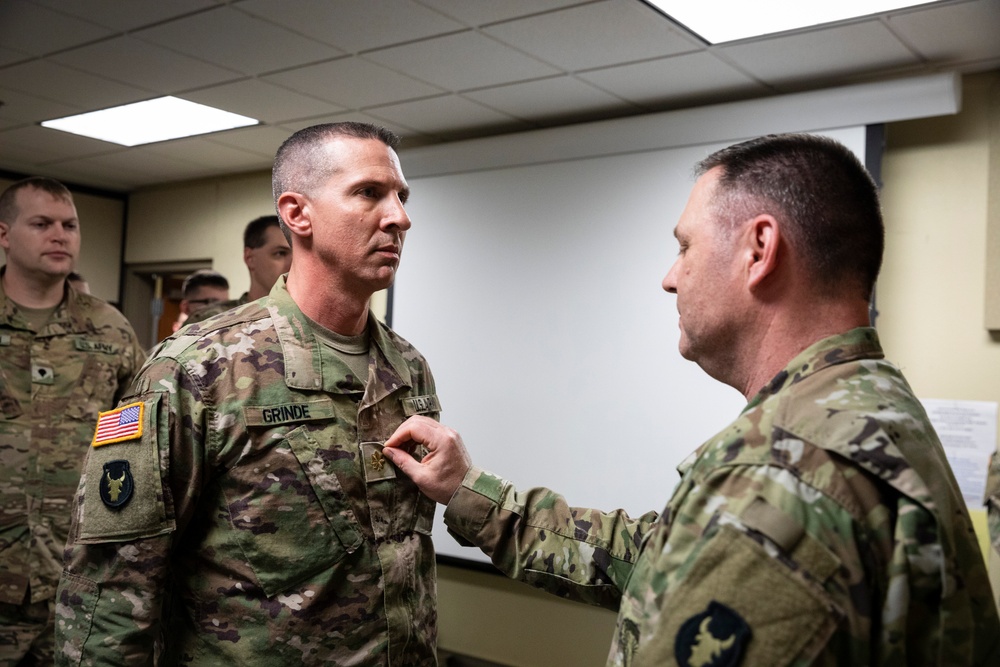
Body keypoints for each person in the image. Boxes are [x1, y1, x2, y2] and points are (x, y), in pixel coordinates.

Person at [382, 134, 1000, 665]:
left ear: (759, 249)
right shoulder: (869, 404)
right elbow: (654, 560)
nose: (670, 276)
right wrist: (469, 490)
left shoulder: (783, 473)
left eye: (685, 246)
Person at [56, 122, 442, 665]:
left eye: (401, 197)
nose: (399, 216)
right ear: (297, 213)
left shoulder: (408, 368)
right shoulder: (198, 368)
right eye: (368, 193)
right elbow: (109, 588)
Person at [0, 177, 146, 665]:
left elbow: (135, 440)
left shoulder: (111, 327)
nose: (59, 235)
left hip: (78, 573)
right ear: (4, 234)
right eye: (41, 224)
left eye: (69, 225)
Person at [183, 215, 292, 325]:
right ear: (250, 258)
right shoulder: (209, 320)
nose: (293, 263)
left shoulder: (301, 320)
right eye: (280, 253)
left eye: (298, 255)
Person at [171, 268, 229, 332]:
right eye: (213, 304)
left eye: (226, 304)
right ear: (186, 307)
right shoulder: (176, 341)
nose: (223, 311)